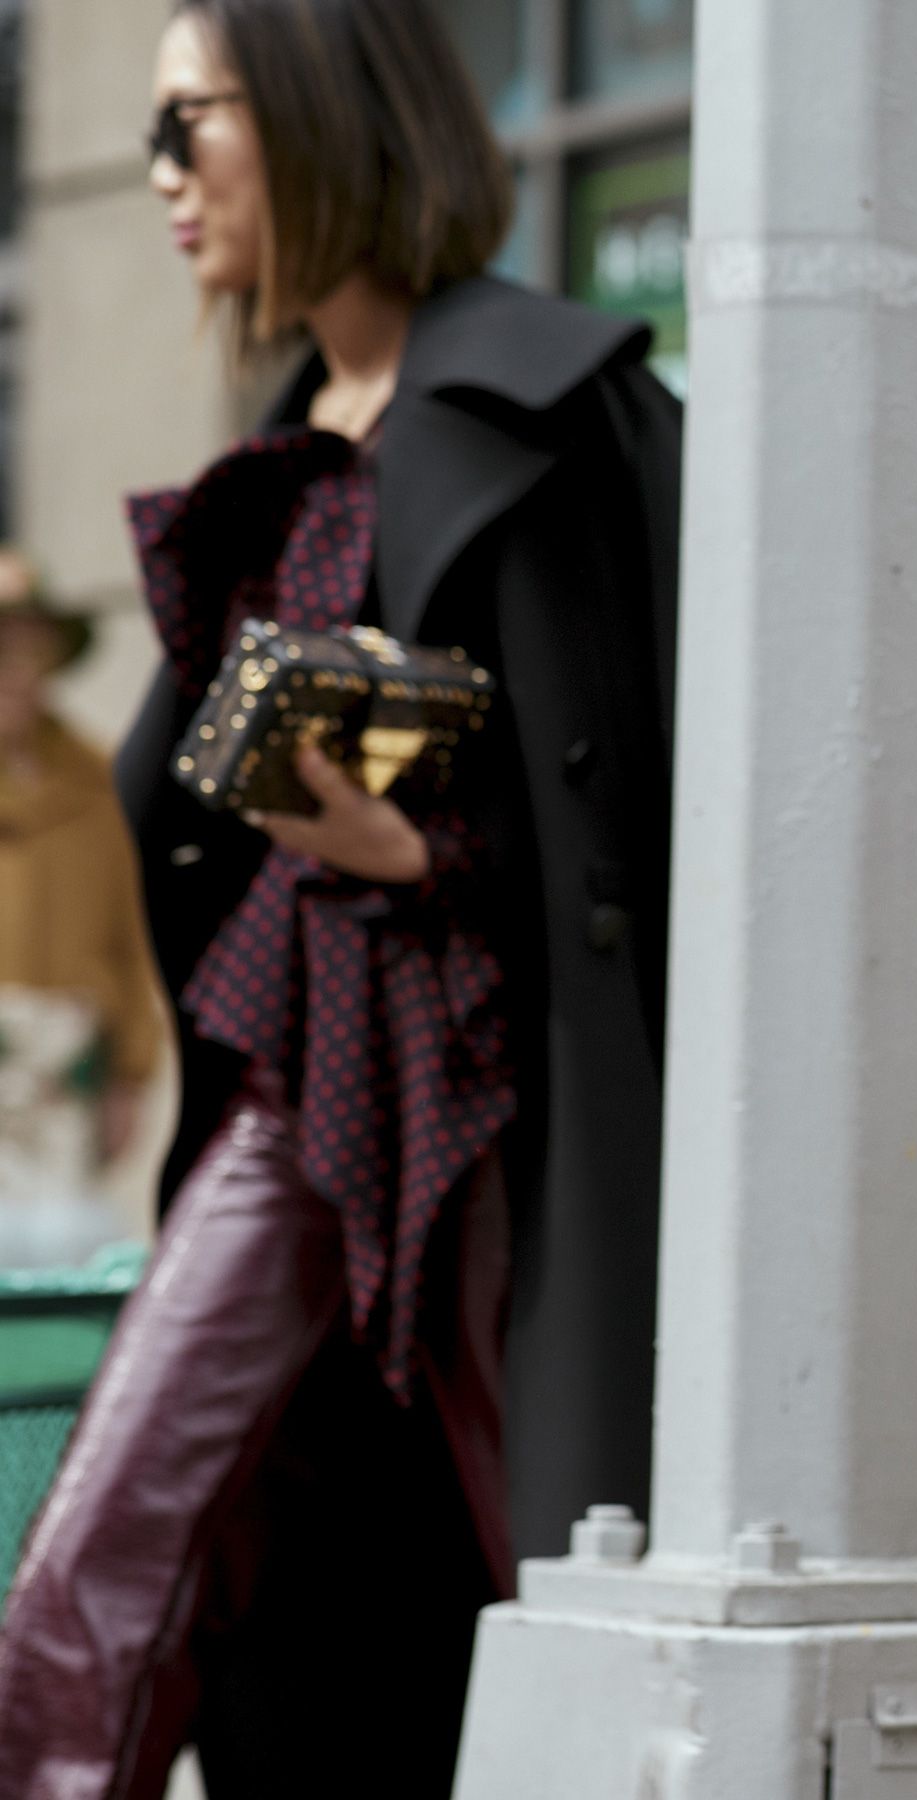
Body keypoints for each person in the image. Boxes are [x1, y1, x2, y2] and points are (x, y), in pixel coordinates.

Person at [0, 0, 680, 1793]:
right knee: (127, 1587)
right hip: (305, 1088)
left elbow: (641, 806)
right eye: (143, 132)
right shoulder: (307, 422)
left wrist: (429, 853)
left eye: (189, 123)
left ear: (317, 113)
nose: (162, 175)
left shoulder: (549, 408)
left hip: (492, 1113)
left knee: (554, 1605)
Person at [0, 552, 165, 1261]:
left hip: (66, 1071)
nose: (13, 672)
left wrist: (131, 1070)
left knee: (56, 1266)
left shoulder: (98, 779)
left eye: (27, 650)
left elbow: (131, 934)